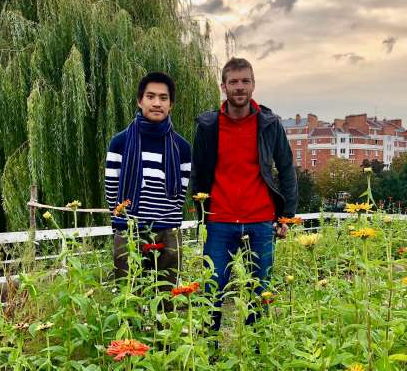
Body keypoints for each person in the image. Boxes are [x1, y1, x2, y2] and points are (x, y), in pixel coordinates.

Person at [190, 57, 298, 330]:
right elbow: (198, 173)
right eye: (234, 82)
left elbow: (286, 169)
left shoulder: (269, 124)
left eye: (245, 81)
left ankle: (257, 354)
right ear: (224, 86)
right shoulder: (208, 126)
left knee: (260, 292)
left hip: (260, 221)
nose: (240, 87)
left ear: (253, 85)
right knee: (212, 291)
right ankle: (209, 354)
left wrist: (286, 216)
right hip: (219, 221)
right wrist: (201, 213)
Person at [104, 72, 191, 288]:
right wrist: (122, 221)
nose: (156, 103)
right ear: (139, 100)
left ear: (171, 104)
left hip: (168, 231)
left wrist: (167, 218)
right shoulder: (120, 142)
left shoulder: (182, 147)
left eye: (163, 98)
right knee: (129, 297)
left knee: (166, 297)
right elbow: (111, 188)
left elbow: (181, 193)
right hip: (129, 230)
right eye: (150, 96)